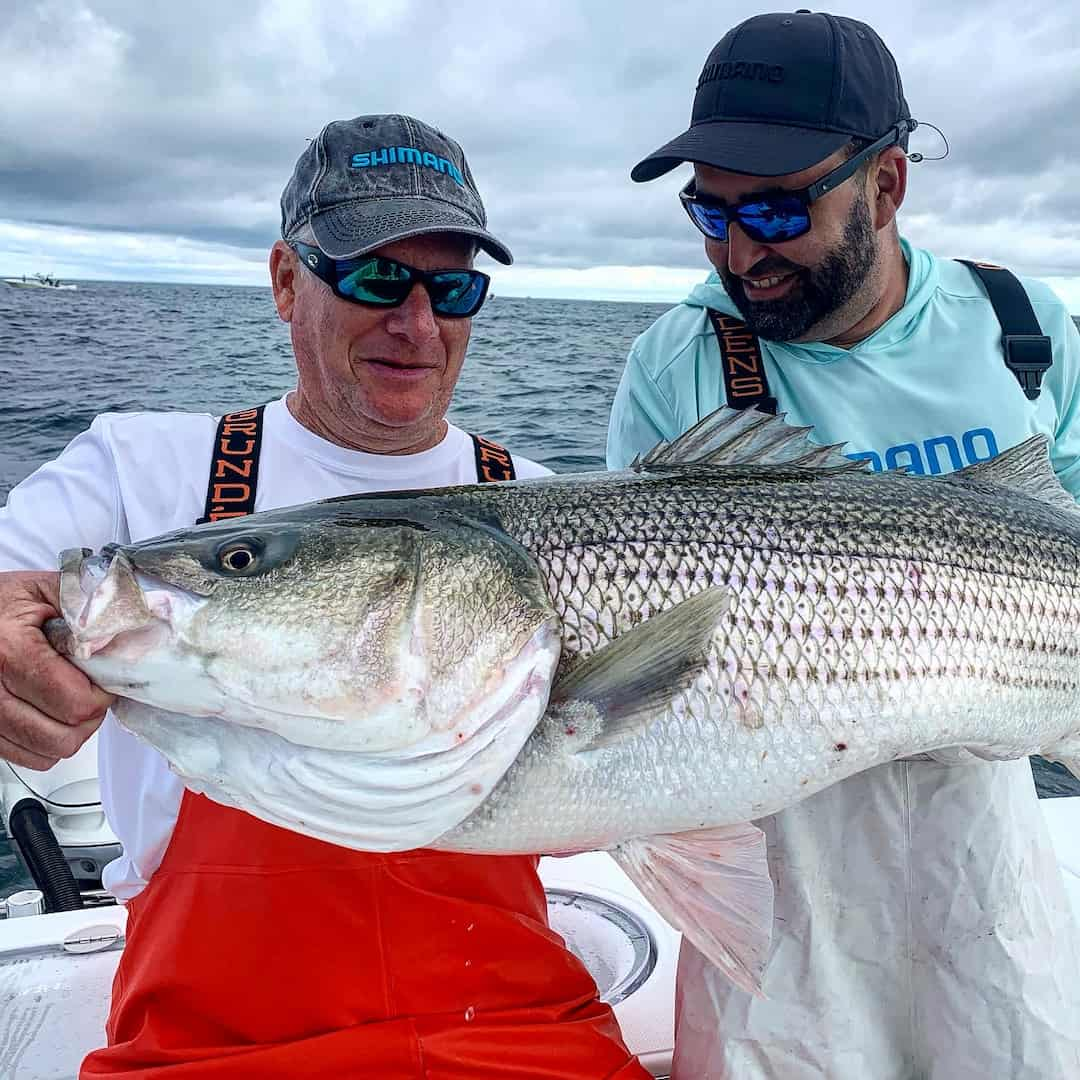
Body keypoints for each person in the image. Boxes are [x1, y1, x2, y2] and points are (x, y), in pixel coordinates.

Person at [0, 114, 649, 1079]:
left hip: (518, 1028)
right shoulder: (138, 467)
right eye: (375, 277)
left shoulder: (548, 504)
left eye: (453, 287)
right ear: (284, 280)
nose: (417, 323)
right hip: (206, 1044)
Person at [608, 12, 1080, 1080]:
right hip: (782, 864)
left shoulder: (1023, 330)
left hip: (983, 853)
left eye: (778, 209)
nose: (743, 251)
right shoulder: (680, 360)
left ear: (887, 185)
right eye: (710, 213)